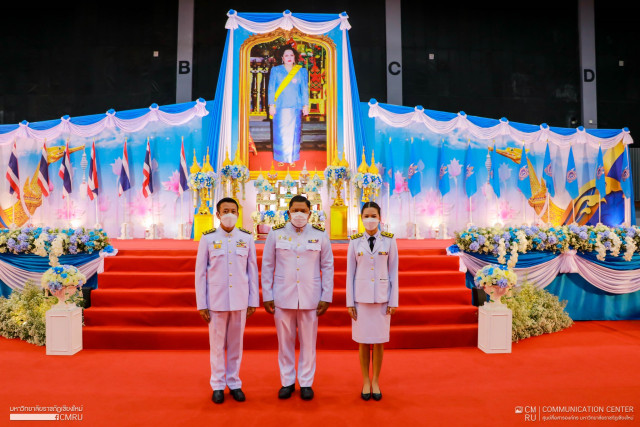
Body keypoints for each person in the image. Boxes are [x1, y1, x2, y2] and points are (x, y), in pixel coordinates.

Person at [261, 195, 334, 401]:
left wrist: (326, 296)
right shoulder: (276, 234)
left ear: (310, 213)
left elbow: (327, 266)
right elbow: (267, 265)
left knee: (308, 342)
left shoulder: (320, 234)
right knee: (285, 341)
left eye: (303, 211)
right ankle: (287, 381)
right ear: (288, 212)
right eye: (295, 210)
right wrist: (267, 294)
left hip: (311, 296)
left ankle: (306, 383)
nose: (299, 214)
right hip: (283, 295)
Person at [195, 197, 259, 404]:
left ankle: (234, 383)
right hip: (216, 300)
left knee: (235, 344)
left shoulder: (247, 238)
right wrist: (202, 304)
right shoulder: (208, 238)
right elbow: (200, 274)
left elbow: (252, 271)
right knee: (216, 345)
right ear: (218, 214)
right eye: (226, 211)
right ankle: (217, 385)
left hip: (240, 299)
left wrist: (253, 300)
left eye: (233, 210)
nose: (229, 214)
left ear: (238, 214)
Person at [346, 201, 399, 401]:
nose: (370, 219)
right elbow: (350, 273)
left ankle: (376, 379)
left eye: (373, 216)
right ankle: (365, 380)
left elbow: (393, 271)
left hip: (382, 299)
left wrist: (393, 300)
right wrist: (350, 302)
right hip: (361, 299)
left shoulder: (389, 240)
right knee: (362, 341)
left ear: (380, 217)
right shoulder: (354, 241)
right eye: (366, 216)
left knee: (378, 342)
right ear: (361, 218)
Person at [268, 45, 309, 167]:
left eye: (291, 55)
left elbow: (304, 90)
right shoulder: (276, 70)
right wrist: (271, 105)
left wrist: (305, 105)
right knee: (280, 133)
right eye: (286, 55)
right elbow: (271, 89)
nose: (289, 58)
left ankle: (292, 157)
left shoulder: (301, 71)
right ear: (282, 58)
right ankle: (280, 157)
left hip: (295, 106)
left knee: (294, 133)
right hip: (280, 106)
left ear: (295, 57)